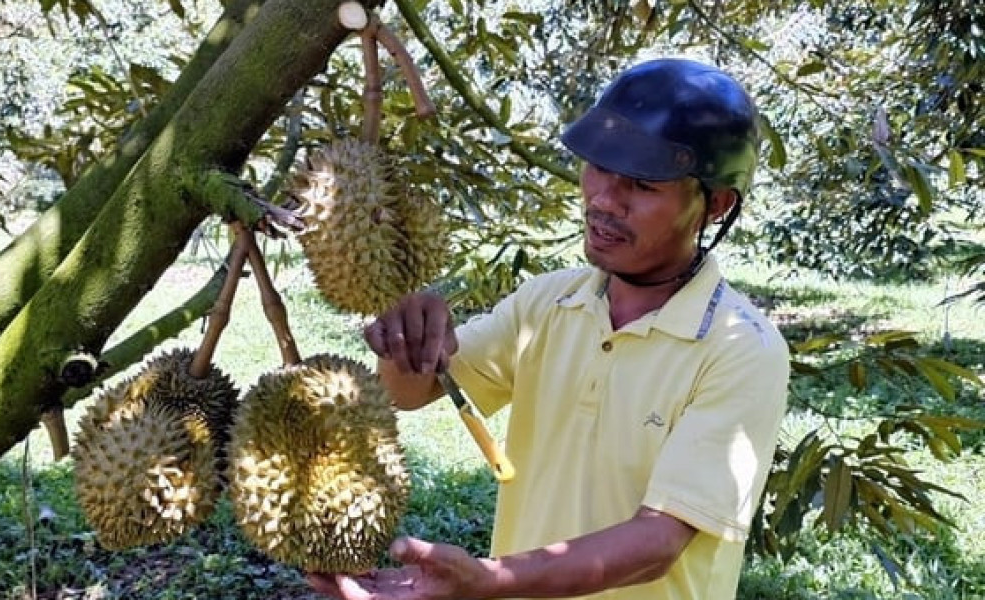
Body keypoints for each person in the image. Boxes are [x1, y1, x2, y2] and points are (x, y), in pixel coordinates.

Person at [307, 57, 790, 600]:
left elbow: (658, 541)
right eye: (599, 167)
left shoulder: (740, 348)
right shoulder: (549, 302)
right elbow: (409, 392)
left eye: (642, 184)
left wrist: (487, 581)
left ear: (716, 205)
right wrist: (408, 337)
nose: (604, 199)